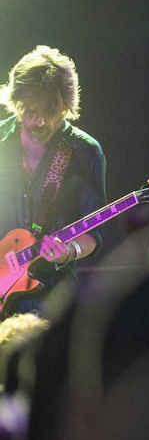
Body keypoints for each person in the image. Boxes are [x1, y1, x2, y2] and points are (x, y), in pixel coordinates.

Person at [0, 46, 107, 311]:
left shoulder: (85, 152)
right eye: (28, 111)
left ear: (64, 108)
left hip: (51, 298)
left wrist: (69, 251)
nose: (36, 121)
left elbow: (92, 234)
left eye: (46, 114)